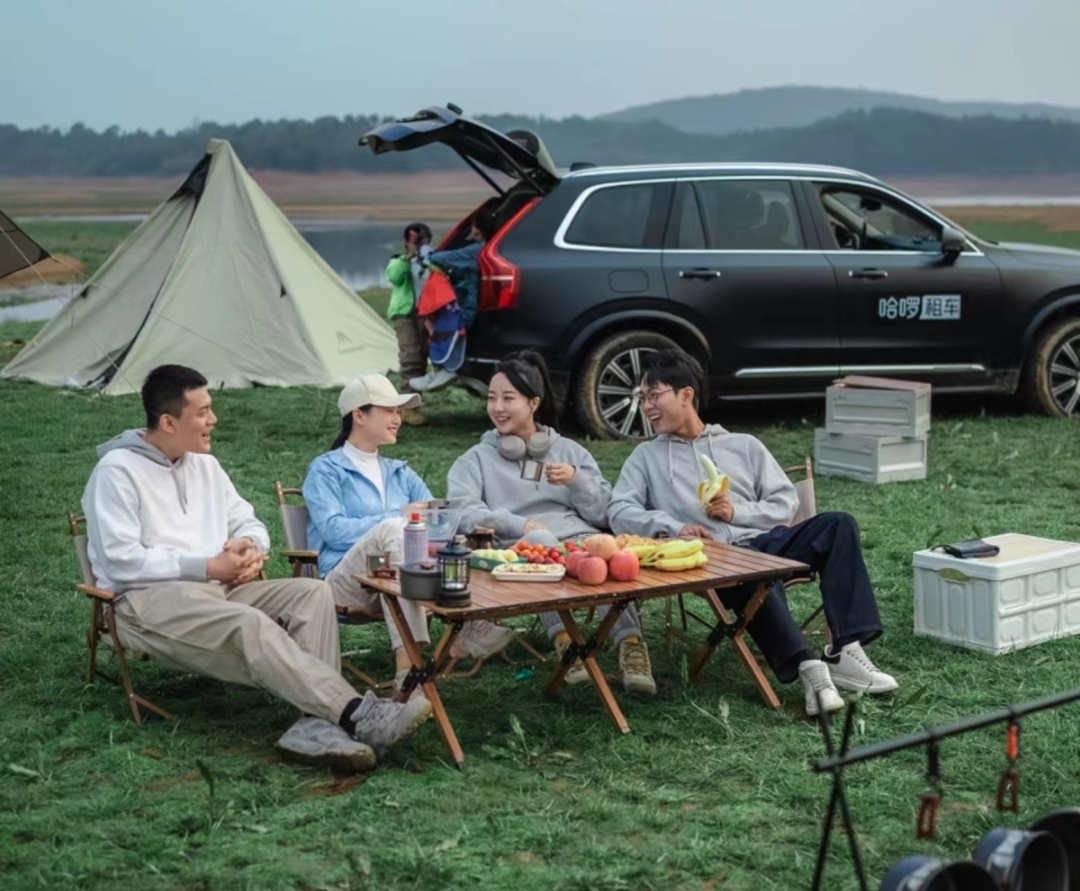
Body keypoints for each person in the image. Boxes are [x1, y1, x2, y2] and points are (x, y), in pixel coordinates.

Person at [81, 365, 432, 772]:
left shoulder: (205, 466)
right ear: (168, 422)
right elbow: (120, 559)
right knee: (250, 623)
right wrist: (208, 566)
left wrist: (250, 546)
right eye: (203, 412)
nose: (214, 419)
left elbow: (248, 521)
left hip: (219, 590)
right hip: (147, 600)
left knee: (312, 592)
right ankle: (359, 714)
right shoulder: (117, 472)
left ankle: (315, 723)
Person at [607, 349, 898, 716]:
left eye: (654, 395)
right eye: (643, 398)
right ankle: (810, 670)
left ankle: (845, 650)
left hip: (765, 541)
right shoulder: (645, 457)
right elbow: (619, 510)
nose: (647, 407)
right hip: (713, 558)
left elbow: (785, 501)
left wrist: (737, 511)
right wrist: (675, 527)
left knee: (838, 523)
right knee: (753, 571)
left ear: (685, 395)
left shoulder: (743, 445)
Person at [446, 350, 657, 694]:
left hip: (578, 542)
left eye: (508, 398)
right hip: (524, 551)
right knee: (543, 542)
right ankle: (567, 645)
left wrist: (577, 480)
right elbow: (462, 511)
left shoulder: (569, 451)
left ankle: (631, 647)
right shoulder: (474, 460)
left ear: (533, 403)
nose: (497, 407)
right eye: (492, 398)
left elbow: (604, 512)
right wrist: (521, 525)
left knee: (607, 553)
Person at [303, 374, 518, 688]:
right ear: (359, 416)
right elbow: (334, 531)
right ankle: (414, 662)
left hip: (402, 582)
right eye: (389, 410)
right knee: (396, 527)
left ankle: (439, 647)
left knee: (431, 534)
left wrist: (424, 523)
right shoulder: (325, 470)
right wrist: (400, 517)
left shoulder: (401, 473)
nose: (398, 419)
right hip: (345, 582)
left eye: (399, 411)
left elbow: (438, 523)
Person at [409, 211, 497, 394]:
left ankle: (447, 370)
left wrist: (427, 256)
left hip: (467, 307)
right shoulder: (487, 248)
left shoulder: (477, 250)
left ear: (477, 229)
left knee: (446, 327)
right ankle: (439, 370)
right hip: (471, 305)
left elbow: (448, 258)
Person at [384, 222, 432, 426]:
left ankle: (412, 406)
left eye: (422, 240)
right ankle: (407, 409)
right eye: (414, 240)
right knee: (410, 356)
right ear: (406, 242)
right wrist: (409, 256)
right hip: (405, 314)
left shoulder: (431, 260)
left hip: (426, 313)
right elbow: (393, 276)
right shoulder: (398, 261)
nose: (418, 244)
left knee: (421, 358)